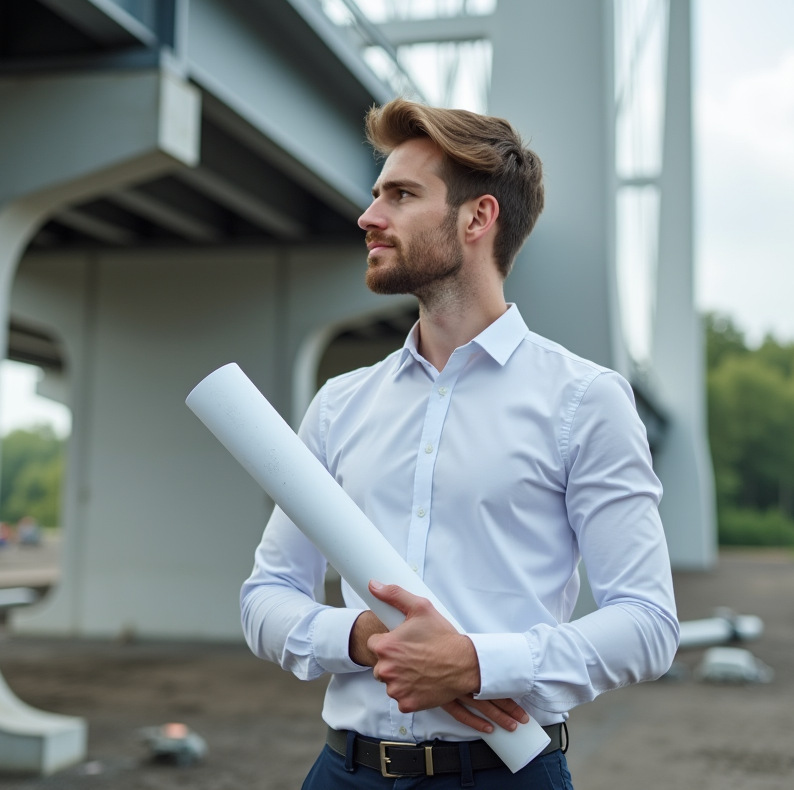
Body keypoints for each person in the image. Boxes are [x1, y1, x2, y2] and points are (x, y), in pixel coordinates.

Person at [240, 99, 679, 789]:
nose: (368, 217)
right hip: (343, 772)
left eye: (401, 195)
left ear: (477, 218)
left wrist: (477, 662)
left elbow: (648, 624)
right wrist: (358, 638)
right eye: (375, 193)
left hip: (506, 775)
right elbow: (266, 596)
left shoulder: (583, 401)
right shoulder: (339, 405)